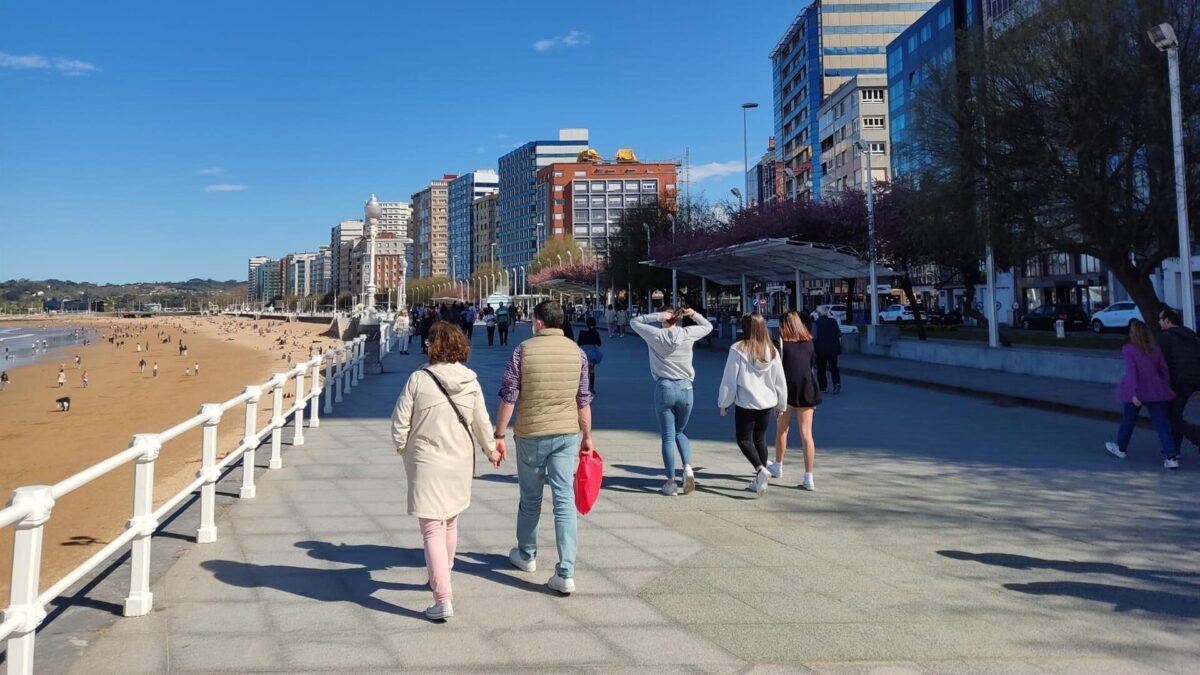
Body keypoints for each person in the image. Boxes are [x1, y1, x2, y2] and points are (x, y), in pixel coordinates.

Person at [390, 322, 501, 621]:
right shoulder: (472, 381)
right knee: (450, 520)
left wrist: (404, 449)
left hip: (427, 461)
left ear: (434, 346)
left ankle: (442, 598)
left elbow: (399, 423)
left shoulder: (418, 379)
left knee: (431, 529)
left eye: (428, 342)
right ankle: (443, 576)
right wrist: (490, 450)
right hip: (460, 460)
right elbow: (481, 421)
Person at [493, 300, 594, 595]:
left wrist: (499, 434)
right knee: (564, 501)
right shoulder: (578, 353)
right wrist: (587, 436)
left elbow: (509, 396)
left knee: (530, 498)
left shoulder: (522, 351)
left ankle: (527, 554)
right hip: (566, 433)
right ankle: (566, 571)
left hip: (531, 434)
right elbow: (583, 399)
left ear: (538, 323)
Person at [630, 307, 712, 496]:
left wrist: (657, 316)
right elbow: (708, 326)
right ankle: (688, 467)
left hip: (665, 386)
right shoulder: (687, 333)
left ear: (664, 319)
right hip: (686, 387)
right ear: (679, 319)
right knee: (681, 431)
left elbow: (635, 322)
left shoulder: (654, 334)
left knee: (668, 436)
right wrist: (693, 314)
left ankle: (670, 482)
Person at [717, 313, 788, 495]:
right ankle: (761, 477)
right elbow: (780, 380)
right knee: (760, 438)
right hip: (767, 402)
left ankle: (760, 469)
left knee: (744, 439)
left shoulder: (738, 348)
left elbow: (729, 379)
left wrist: (724, 402)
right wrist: (781, 404)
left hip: (746, 402)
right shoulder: (772, 350)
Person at [1106, 319, 1179, 469]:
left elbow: (1132, 373)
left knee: (1128, 420)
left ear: (1133, 334)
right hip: (1156, 390)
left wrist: (1132, 393)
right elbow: (1164, 370)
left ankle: (1121, 448)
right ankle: (1171, 457)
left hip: (1137, 391)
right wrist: (1164, 385)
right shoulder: (1155, 350)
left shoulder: (1129, 349)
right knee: (1162, 424)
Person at [771, 311, 820, 490]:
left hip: (787, 391)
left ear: (785, 325)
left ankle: (778, 465)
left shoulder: (780, 343)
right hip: (807, 390)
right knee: (807, 434)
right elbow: (812, 365)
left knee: (782, 430)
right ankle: (809, 477)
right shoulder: (809, 342)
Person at [1156, 307, 1200, 454]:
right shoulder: (1191, 337)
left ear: (1167, 321)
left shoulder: (1165, 337)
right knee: (1176, 414)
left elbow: (1160, 362)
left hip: (1176, 382)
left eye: (1161, 319)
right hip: (1192, 382)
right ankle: (1175, 448)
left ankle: (1196, 436)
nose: (1159, 322)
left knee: (1172, 417)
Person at [813, 306, 843, 394]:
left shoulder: (816, 323)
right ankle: (836, 383)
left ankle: (823, 387)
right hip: (833, 349)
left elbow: (814, 337)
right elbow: (838, 334)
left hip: (820, 350)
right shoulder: (833, 322)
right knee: (834, 367)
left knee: (821, 369)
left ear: (818, 314)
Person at [576, 316, 603, 395]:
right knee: (591, 370)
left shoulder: (582, 332)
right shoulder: (595, 332)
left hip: (584, 352)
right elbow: (599, 343)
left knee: (583, 371)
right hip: (592, 353)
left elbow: (579, 343)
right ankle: (591, 388)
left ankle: (582, 388)